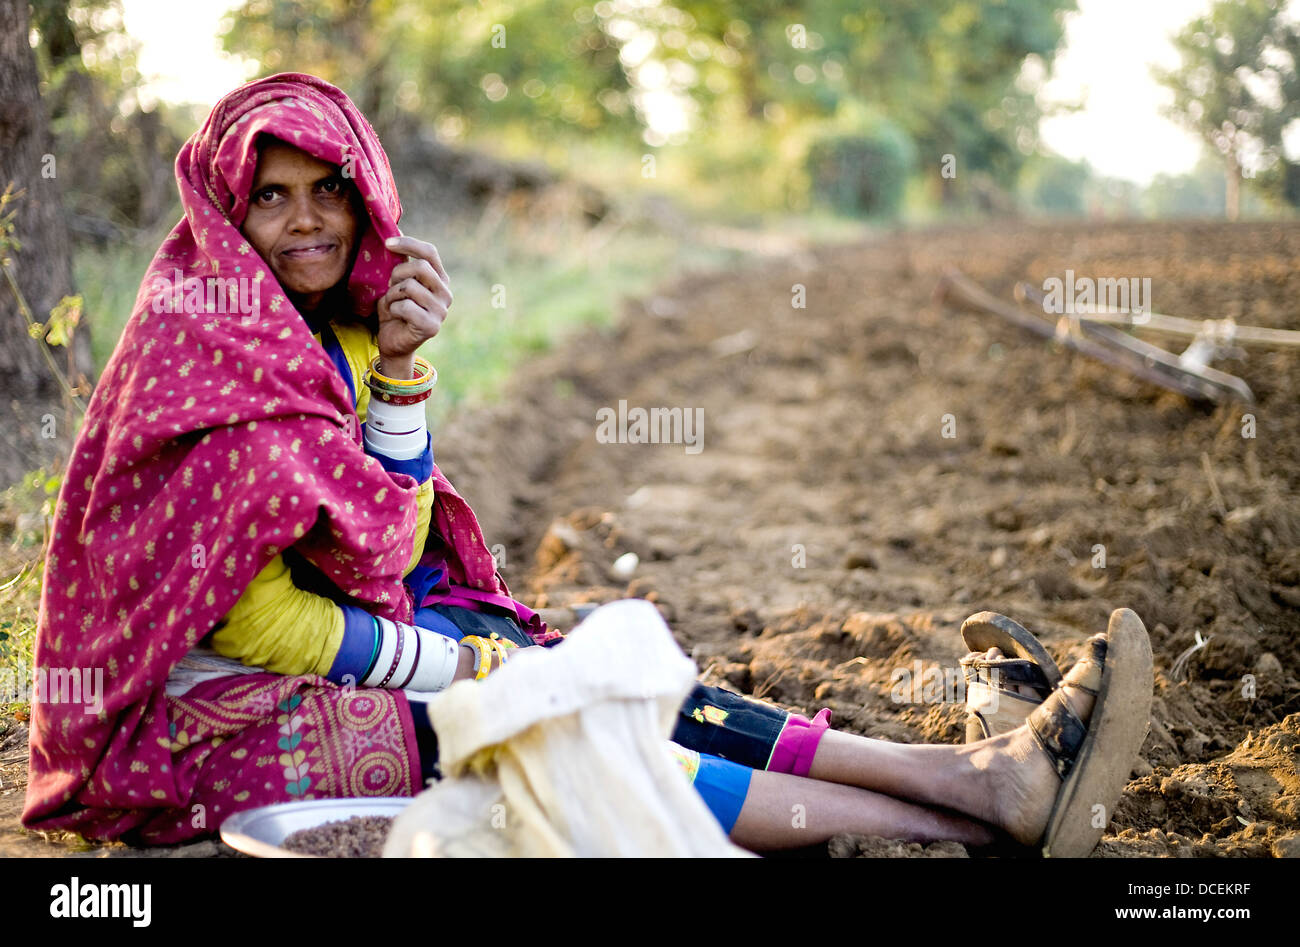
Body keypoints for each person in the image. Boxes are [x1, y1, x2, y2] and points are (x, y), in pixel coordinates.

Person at [24, 73, 1153, 856]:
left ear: (369, 197)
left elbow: (379, 551)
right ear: (228, 207)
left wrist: (405, 371)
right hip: (191, 724)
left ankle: (964, 780)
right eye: (271, 195)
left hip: (324, 650)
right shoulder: (208, 346)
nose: (306, 221)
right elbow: (259, 626)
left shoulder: (347, 330)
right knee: (544, 718)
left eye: (330, 191)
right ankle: (969, 803)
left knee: (593, 674)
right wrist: (455, 669)